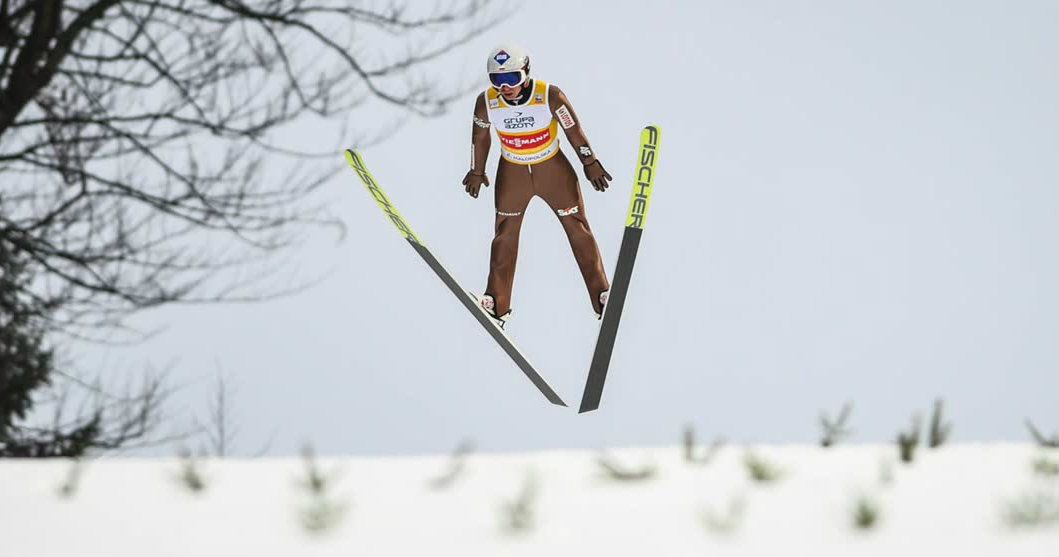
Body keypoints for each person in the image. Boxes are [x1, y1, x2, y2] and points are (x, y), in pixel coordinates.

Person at [462, 44, 613, 328]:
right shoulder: (486, 101)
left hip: (552, 168)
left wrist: (589, 162)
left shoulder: (550, 95)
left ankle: (602, 294)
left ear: (527, 73)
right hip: (512, 171)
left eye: (512, 79)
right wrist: (476, 170)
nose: (505, 87)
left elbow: (573, 130)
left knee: (577, 227)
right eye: (497, 81)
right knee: (504, 235)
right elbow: (480, 137)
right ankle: (496, 302)